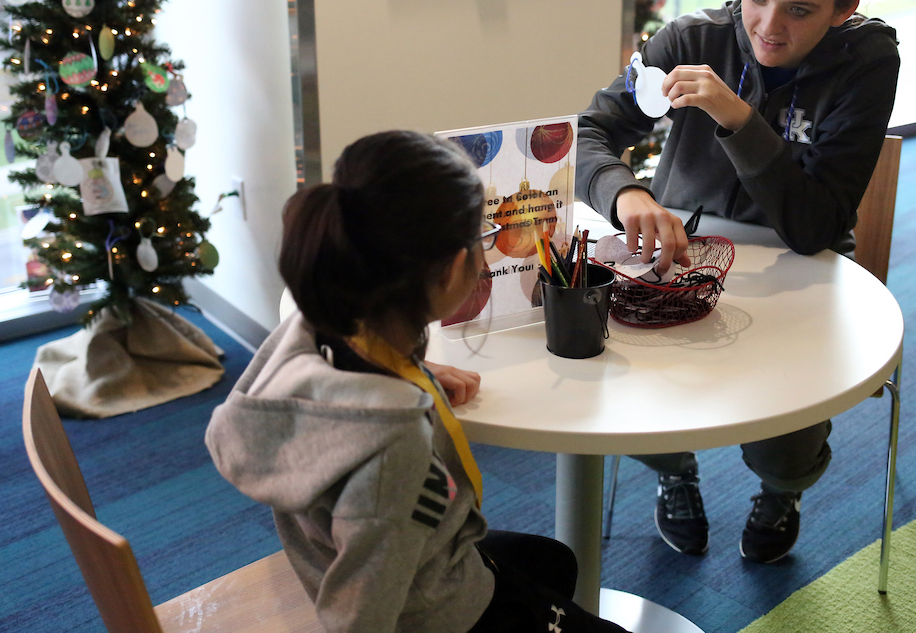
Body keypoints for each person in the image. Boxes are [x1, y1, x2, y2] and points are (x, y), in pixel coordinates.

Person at [575, 0, 899, 564]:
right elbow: (589, 134)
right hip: (680, 252)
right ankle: (674, 476)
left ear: (846, 9)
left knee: (785, 433)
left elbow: (814, 224)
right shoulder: (690, 39)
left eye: (801, 10)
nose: (767, 27)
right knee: (647, 395)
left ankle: (781, 492)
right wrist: (626, 190)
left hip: (801, 257)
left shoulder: (867, 61)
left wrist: (736, 117)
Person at [206, 130, 628, 633]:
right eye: (482, 238)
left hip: (350, 556)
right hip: (438, 611)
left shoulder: (315, 318)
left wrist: (415, 376)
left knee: (554, 562)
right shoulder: (394, 450)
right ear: (454, 267)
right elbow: (359, 620)